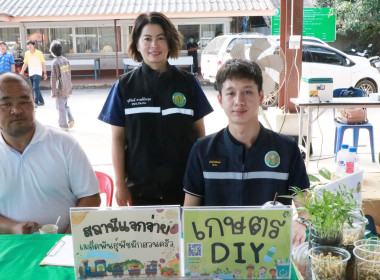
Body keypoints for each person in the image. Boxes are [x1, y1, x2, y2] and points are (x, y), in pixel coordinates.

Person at [183, 58, 310, 248]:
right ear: (220, 100)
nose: (239, 101)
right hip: (216, 254)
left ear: (261, 96)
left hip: (270, 254)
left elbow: (306, 208)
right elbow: (189, 214)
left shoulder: (287, 149)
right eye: (231, 93)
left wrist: (302, 223)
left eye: (247, 92)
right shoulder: (203, 150)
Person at [98, 12, 213, 207]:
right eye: (147, 39)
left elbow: (200, 135)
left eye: (161, 38)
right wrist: (120, 184)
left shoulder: (188, 84)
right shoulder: (124, 86)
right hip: (139, 191)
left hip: (185, 189)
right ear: (137, 44)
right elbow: (117, 139)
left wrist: (201, 179)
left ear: (170, 42)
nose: (154, 45)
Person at [0, 72, 101, 234]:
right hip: (7, 247)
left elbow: (91, 197)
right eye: (6, 104)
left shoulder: (65, 144)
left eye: (24, 101)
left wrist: (68, 238)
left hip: (64, 244)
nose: (16, 110)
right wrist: (12, 228)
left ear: (34, 103)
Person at [49, 40, 75, 131]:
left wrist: (53, 91)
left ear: (52, 52)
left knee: (60, 108)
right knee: (65, 105)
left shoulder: (55, 62)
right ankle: (71, 119)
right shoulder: (66, 60)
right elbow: (69, 74)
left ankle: (63, 125)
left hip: (60, 88)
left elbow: (53, 78)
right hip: (68, 87)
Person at [20, 40, 47, 106]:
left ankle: (36, 102)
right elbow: (25, 63)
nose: (29, 46)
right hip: (31, 72)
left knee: (35, 87)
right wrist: (22, 71)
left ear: (34, 45)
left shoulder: (39, 53)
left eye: (30, 45)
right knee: (34, 87)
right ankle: (42, 101)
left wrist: (45, 73)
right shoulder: (27, 53)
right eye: (28, 45)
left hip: (38, 72)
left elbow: (43, 63)